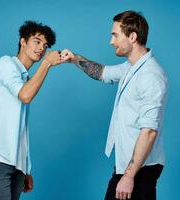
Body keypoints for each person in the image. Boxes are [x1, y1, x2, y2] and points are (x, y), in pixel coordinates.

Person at [61, 10, 168, 200]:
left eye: (115, 35)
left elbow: (150, 130)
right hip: (129, 166)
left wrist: (128, 176)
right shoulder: (131, 67)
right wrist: (74, 58)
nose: (111, 41)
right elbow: (102, 73)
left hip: (140, 169)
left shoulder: (150, 76)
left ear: (132, 37)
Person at [0, 21, 61, 200]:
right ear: (22, 42)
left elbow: (20, 128)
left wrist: (25, 167)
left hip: (15, 164)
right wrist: (46, 64)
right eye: (37, 41)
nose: (41, 48)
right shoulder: (5, 64)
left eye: (45, 46)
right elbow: (25, 95)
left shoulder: (25, 78)